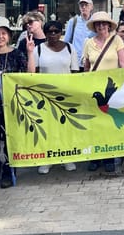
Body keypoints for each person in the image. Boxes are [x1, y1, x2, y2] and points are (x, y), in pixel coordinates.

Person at [0, 16, 35, 189]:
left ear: (9, 36)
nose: (0, 37)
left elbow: (29, 75)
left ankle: (10, 172)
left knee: (11, 141)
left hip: (11, 105)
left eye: (3, 33)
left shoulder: (16, 54)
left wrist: (31, 53)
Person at [82, 11, 124, 172]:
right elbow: (86, 67)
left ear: (109, 25)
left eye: (104, 23)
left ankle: (109, 156)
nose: (101, 26)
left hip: (111, 89)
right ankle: (96, 157)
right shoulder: (88, 43)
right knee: (95, 123)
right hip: (94, 88)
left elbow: (123, 62)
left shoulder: (116, 40)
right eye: (98, 23)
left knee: (108, 124)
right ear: (94, 26)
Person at [33, 20, 80, 174]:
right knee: (48, 128)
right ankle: (48, 158)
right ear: (45, 34)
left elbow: (75, 73)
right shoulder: (38, 49)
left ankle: (67, 157)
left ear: (61, 32)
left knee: (65, 128)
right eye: (49, 32)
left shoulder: (69, 48)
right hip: (44, 96)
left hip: (66, 96)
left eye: (56, 31)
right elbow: (33, 73)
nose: (53, 34)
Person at [64, 0, 95, 68]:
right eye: (81, 5)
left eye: (86, 5)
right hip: (76, 61)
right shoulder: (73, 21)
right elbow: (66, 42)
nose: (84, 7)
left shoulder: (95, 22)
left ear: (91, 7)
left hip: (91, 61)